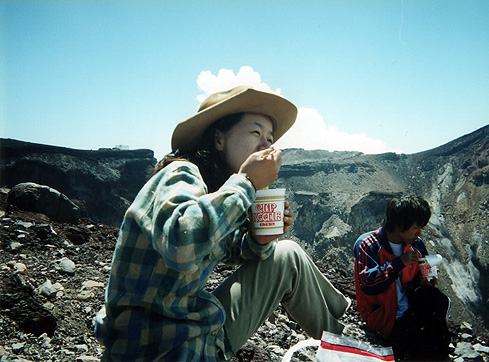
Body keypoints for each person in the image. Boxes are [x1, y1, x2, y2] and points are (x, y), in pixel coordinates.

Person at [95, 85, 351, 361]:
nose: (266, 145)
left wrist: (257, 240)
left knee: (287, 253)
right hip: (164, 347)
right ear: (219, 139)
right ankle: (348, 347)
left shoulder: (210, 190)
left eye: (269, 138)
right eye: (255, 133)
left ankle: (345, 343)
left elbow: (229, 247)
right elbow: (182, 243)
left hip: (187, 329)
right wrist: (247, 182)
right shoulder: (180, 173)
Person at [353, 195, 451, 361]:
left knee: (437, 299)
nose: (419, 233)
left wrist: (427, 280)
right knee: (420, 346)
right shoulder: (368, 244)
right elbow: (368, 283)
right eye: (416, 227)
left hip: (409, 311)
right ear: (400, 225)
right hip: (385, 317)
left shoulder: (416, 244)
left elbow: (423, 272)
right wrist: (398, 263)